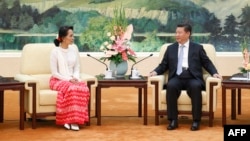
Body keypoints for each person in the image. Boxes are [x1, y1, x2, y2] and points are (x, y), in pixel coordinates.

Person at [149, 23, 222, 131]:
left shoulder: (197, 48)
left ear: (188, 33)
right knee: (171, 86)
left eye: (180, 32)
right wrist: (155, 72)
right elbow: (164, 65)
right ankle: (173, 120)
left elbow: (207, 63)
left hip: (192, 77)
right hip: (177, 77)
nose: (177, 35)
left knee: (196, 87)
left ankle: (196, 120)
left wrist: (214, 73)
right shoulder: (170, 48)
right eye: (176, 32)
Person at [49, 26, 90, 131]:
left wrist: (75, 77)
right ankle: (70, 120)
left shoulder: (73, 50)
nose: (73, 38)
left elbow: (77, 67)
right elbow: (54, 73)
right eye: (70, 36)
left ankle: (73, 120)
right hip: (58, 80)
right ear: (63, 38)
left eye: (73, 35)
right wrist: (68, 80)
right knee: (72, 88)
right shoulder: (55, 52)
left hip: (72, 78)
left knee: (84, 88)